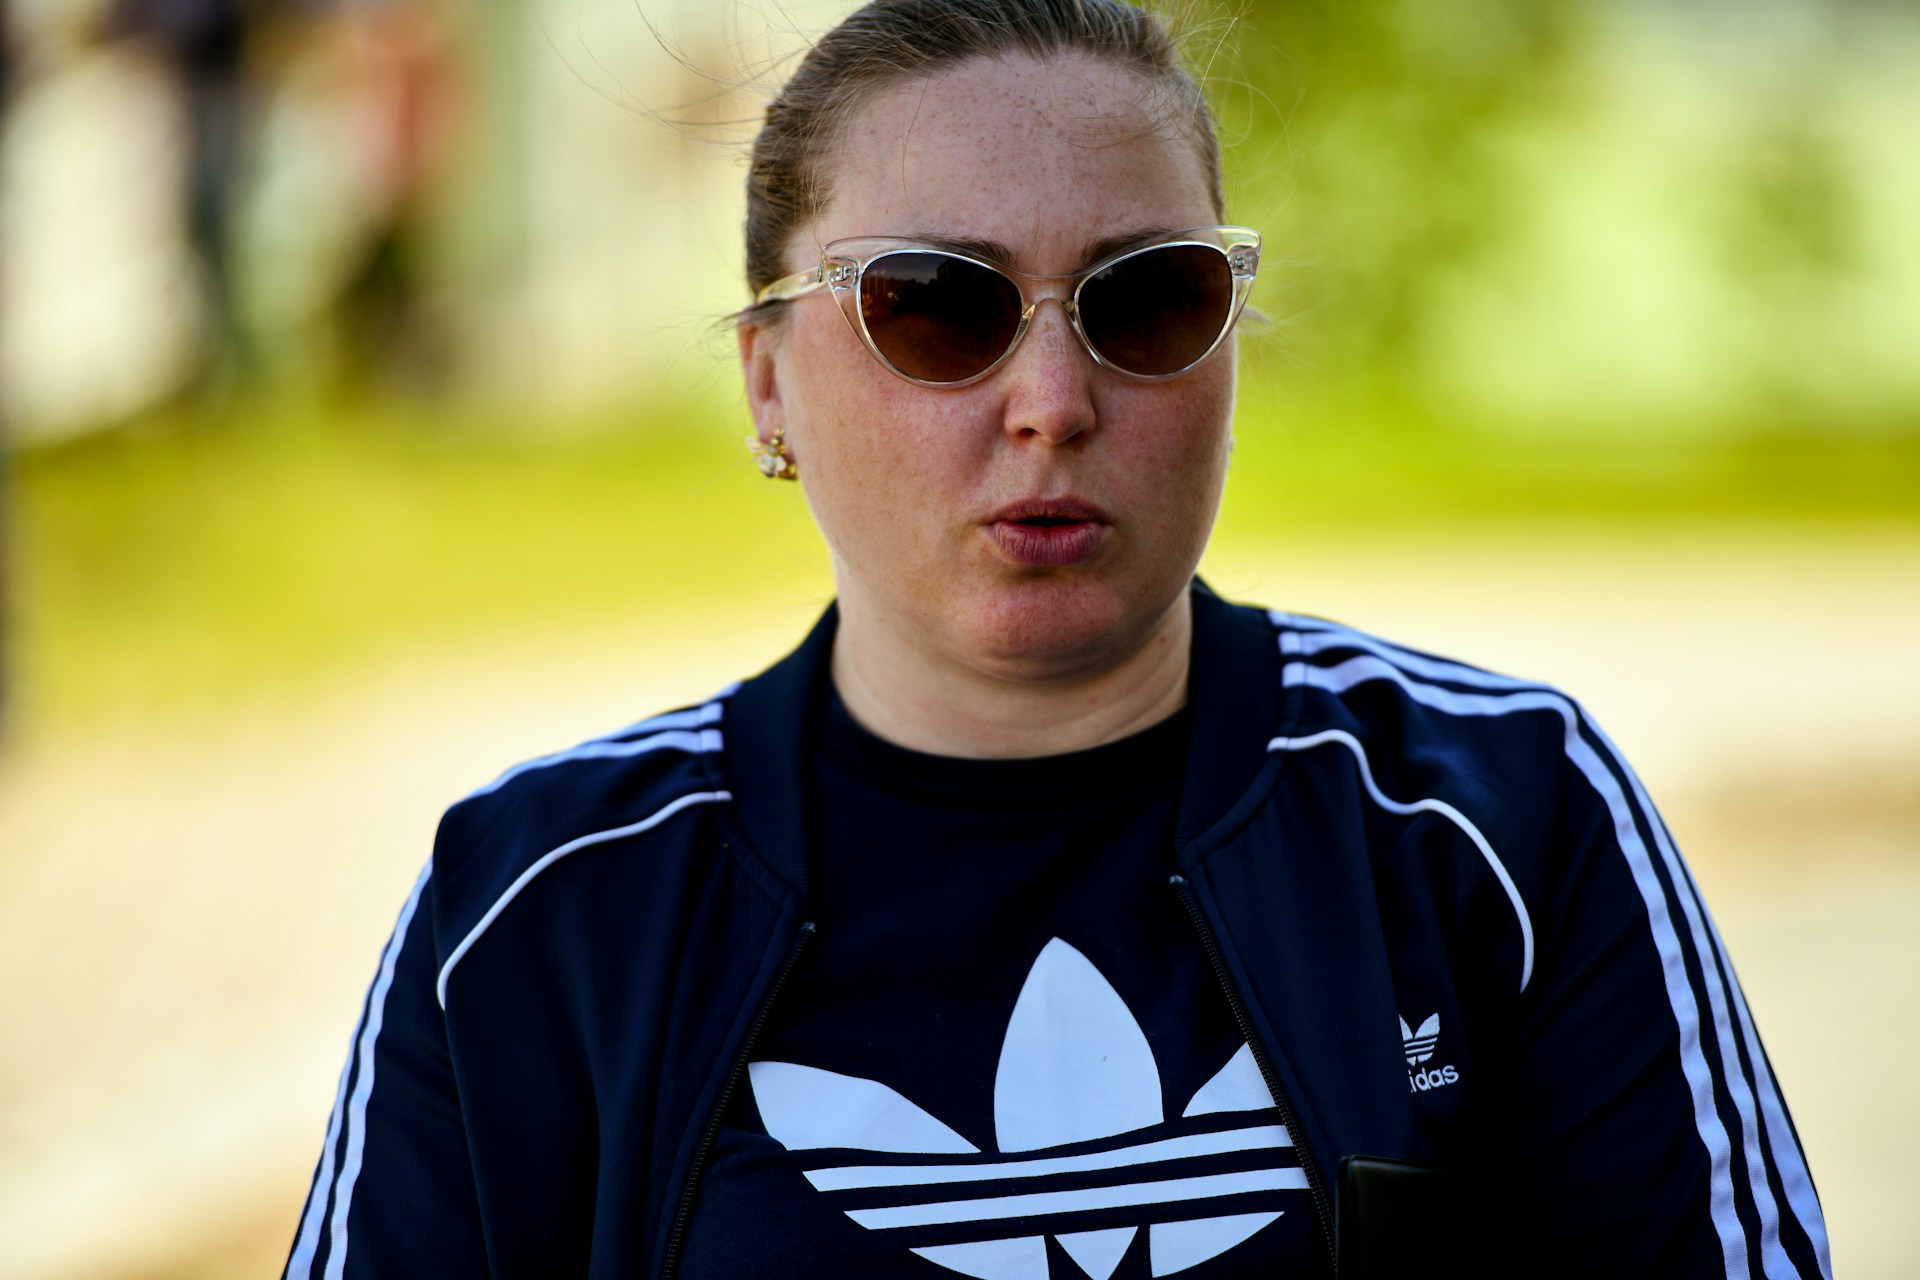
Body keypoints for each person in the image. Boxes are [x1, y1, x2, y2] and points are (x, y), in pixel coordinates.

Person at [283, 2, 1832, 1276]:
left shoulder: (1494, 823)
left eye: (1147, 301)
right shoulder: (543, 913)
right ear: (768, 385)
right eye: (939, 307)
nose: (1052, 401)